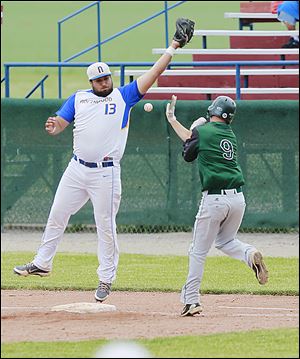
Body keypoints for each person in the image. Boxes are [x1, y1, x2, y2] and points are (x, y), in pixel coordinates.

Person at [13, 18, 195, 302]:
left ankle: (105, 279)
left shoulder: (124, 97)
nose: (104, 82)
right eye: (99, 80)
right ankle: (42, 263)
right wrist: (53, 126)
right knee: (57, 214)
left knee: (105, 227)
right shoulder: (79, 98)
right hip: (76, 168)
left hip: (105, 173)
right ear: (91, 82)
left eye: (106, 77)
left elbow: (153, 73)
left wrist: (174, 46)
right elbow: (61, 122)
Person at [165, 95, 269, 317]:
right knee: (226, 241)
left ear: (213, 110)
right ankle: (250, 254)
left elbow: (188, 153)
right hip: (237, 199)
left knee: (198, 251)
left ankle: (191, 301)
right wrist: (178, 123)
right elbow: (192, 141)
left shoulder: (204, 131)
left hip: (214, 200)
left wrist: (190, 126)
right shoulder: (229, 134)